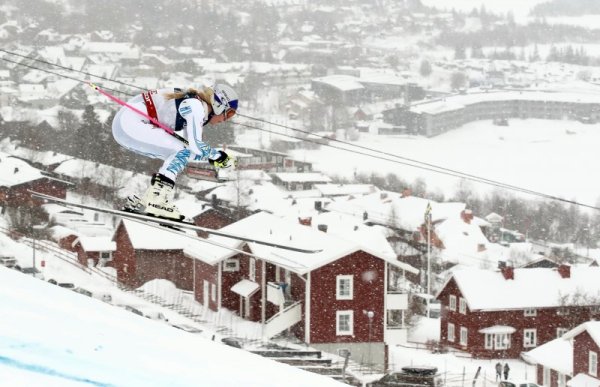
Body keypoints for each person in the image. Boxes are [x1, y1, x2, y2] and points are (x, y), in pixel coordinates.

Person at [112, 84, 238, 220]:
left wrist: (212, 158)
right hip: (131, 123)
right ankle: (157, 201)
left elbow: (188, 150)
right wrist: (218, 156)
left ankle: (149, 200)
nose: (226, 119)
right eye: (229, 113)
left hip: (127, 124)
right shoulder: (196, 107)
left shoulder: (195, 104)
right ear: (219, 104)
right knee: (180, 150)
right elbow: (194, 145)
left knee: (179, 152)